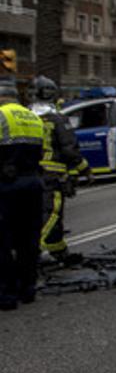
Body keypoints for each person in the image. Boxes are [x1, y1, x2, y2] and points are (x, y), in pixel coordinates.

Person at [30, 76, 90, 262]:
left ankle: (58, 250)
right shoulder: (58, 120)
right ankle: (33, 251)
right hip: (51, 176)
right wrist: (85, 170)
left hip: (29, 175)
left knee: (37, 213)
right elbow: (69, 150)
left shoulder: (26, 117)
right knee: (52, 214)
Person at [0, 77, 47, 311]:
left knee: (3, 242)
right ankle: (27, 289)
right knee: (28, 240)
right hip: (32, 184)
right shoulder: (32, 117)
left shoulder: (1, 115)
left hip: (6, 186)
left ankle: (6, 295)